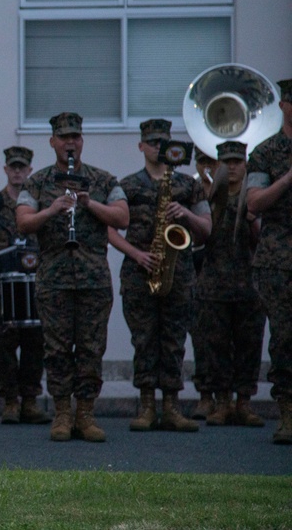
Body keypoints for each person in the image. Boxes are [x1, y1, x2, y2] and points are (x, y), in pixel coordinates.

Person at [16, 112, 128, 442]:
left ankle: (86, 414)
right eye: (64, 138)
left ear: (82, 141)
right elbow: (22, 221)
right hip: (54, 281)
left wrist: (89, 203)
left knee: (91, 348)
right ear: (52, 142)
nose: (70, 143)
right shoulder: (37, 182)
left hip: (94, 281)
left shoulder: (103, 180)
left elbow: (122, 218)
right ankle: (62, 413)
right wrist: (52, 209)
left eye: (75, 137)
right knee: (57, 349)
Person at [107, 119, 210, 433]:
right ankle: (147, 405)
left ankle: (172, 407)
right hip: (140, 272)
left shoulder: (189, 185)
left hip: (179, 272)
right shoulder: (126, 185)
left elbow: (207, 229)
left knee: (174, 340)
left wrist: (186, 214)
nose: (157, 147)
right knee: (144, 340)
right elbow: (110, 230)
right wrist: (136, 253)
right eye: (151, 142)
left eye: (162, 142)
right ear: (141, 146)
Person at [0, 146, 48, 425]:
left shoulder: (37, 201)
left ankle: (30, 400)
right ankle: (10, 402)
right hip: (2, 284)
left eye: (22, 167)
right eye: (12, 167)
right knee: (4, 345)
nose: (17, 171)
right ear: (5, 169)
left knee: (35, 344)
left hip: (34, 283)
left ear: (29, 170)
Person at [196, 141, 266, 428]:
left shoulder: (255, 197)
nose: (233, 167)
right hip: (213, 283)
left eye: (238, 161)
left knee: (250, 345)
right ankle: (222, 401)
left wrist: (251, 221)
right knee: (216, 346)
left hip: (249, 285)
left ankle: (244, 403)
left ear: (245, 164)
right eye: (227, 162)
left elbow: (262, 241)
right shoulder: (209, 196)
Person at [245, 77, 292, 445]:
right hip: (279, 259)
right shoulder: (265, 152)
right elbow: (254, 203)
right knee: (285, 339)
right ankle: (287, 414)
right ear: (284, 107)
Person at [190, 146, 221, 420]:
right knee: (201, 334)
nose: (207, 166)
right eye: (202, 161)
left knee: (229, 335)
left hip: (228, 268)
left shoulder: (236, 185)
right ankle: (205, 395)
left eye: (213, 160)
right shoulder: (190, 186)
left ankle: (231, 399)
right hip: (199, 267)